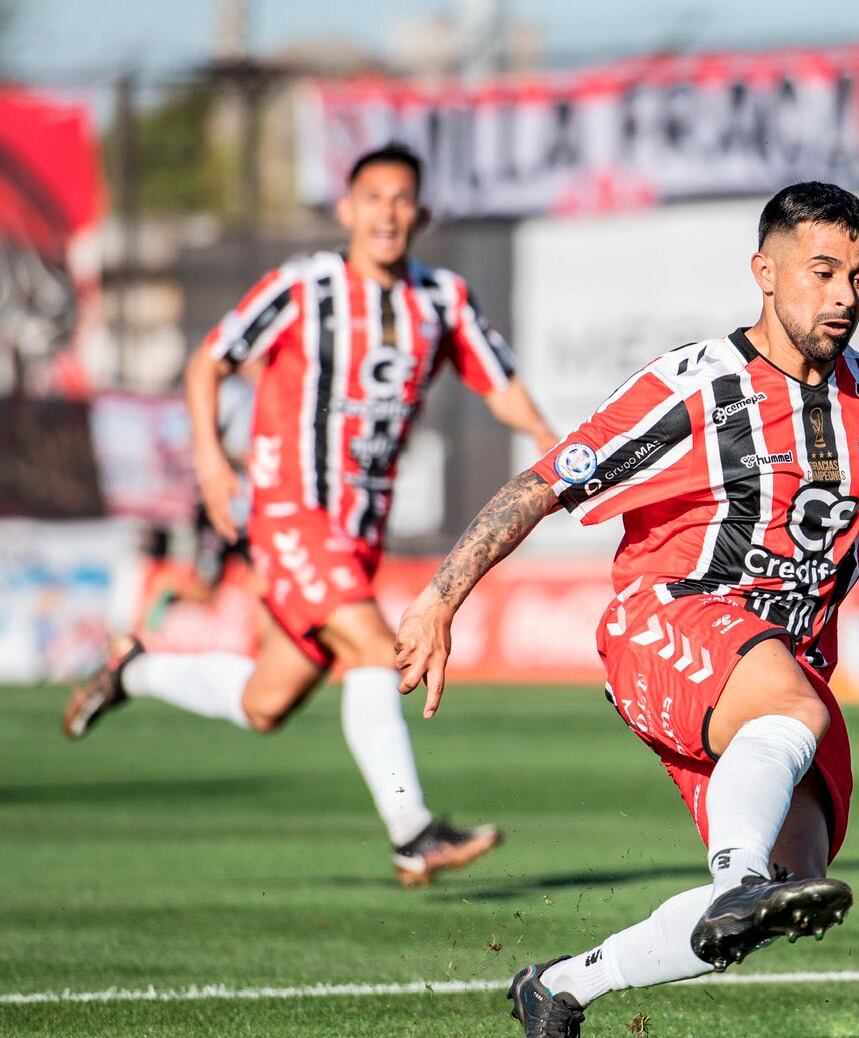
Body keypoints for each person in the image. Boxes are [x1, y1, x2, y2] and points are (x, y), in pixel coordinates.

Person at [392, 182, 859, 1036]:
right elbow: (542, 484)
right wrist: (438, 598)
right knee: (761, 830)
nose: (844, 295)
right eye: (823, 271)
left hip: (780, 671)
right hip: (668, 620)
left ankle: (563, 987)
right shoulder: (694, 385)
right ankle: (734, 882)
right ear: (765, 272)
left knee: (791, 889)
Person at [64, 143, 558, 886]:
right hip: (289, 510)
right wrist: (209, 455)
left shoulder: (443, 299)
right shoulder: (303, 287)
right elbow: (210, 361)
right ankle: (411, 832)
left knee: (266, 703)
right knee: (372, 646)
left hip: (357, 532)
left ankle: (135, 671)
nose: (388, 213)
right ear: (347, 210)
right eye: (374, 198)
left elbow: (500, 383)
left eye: (402, 200)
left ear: (418, 215)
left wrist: (551, 445)